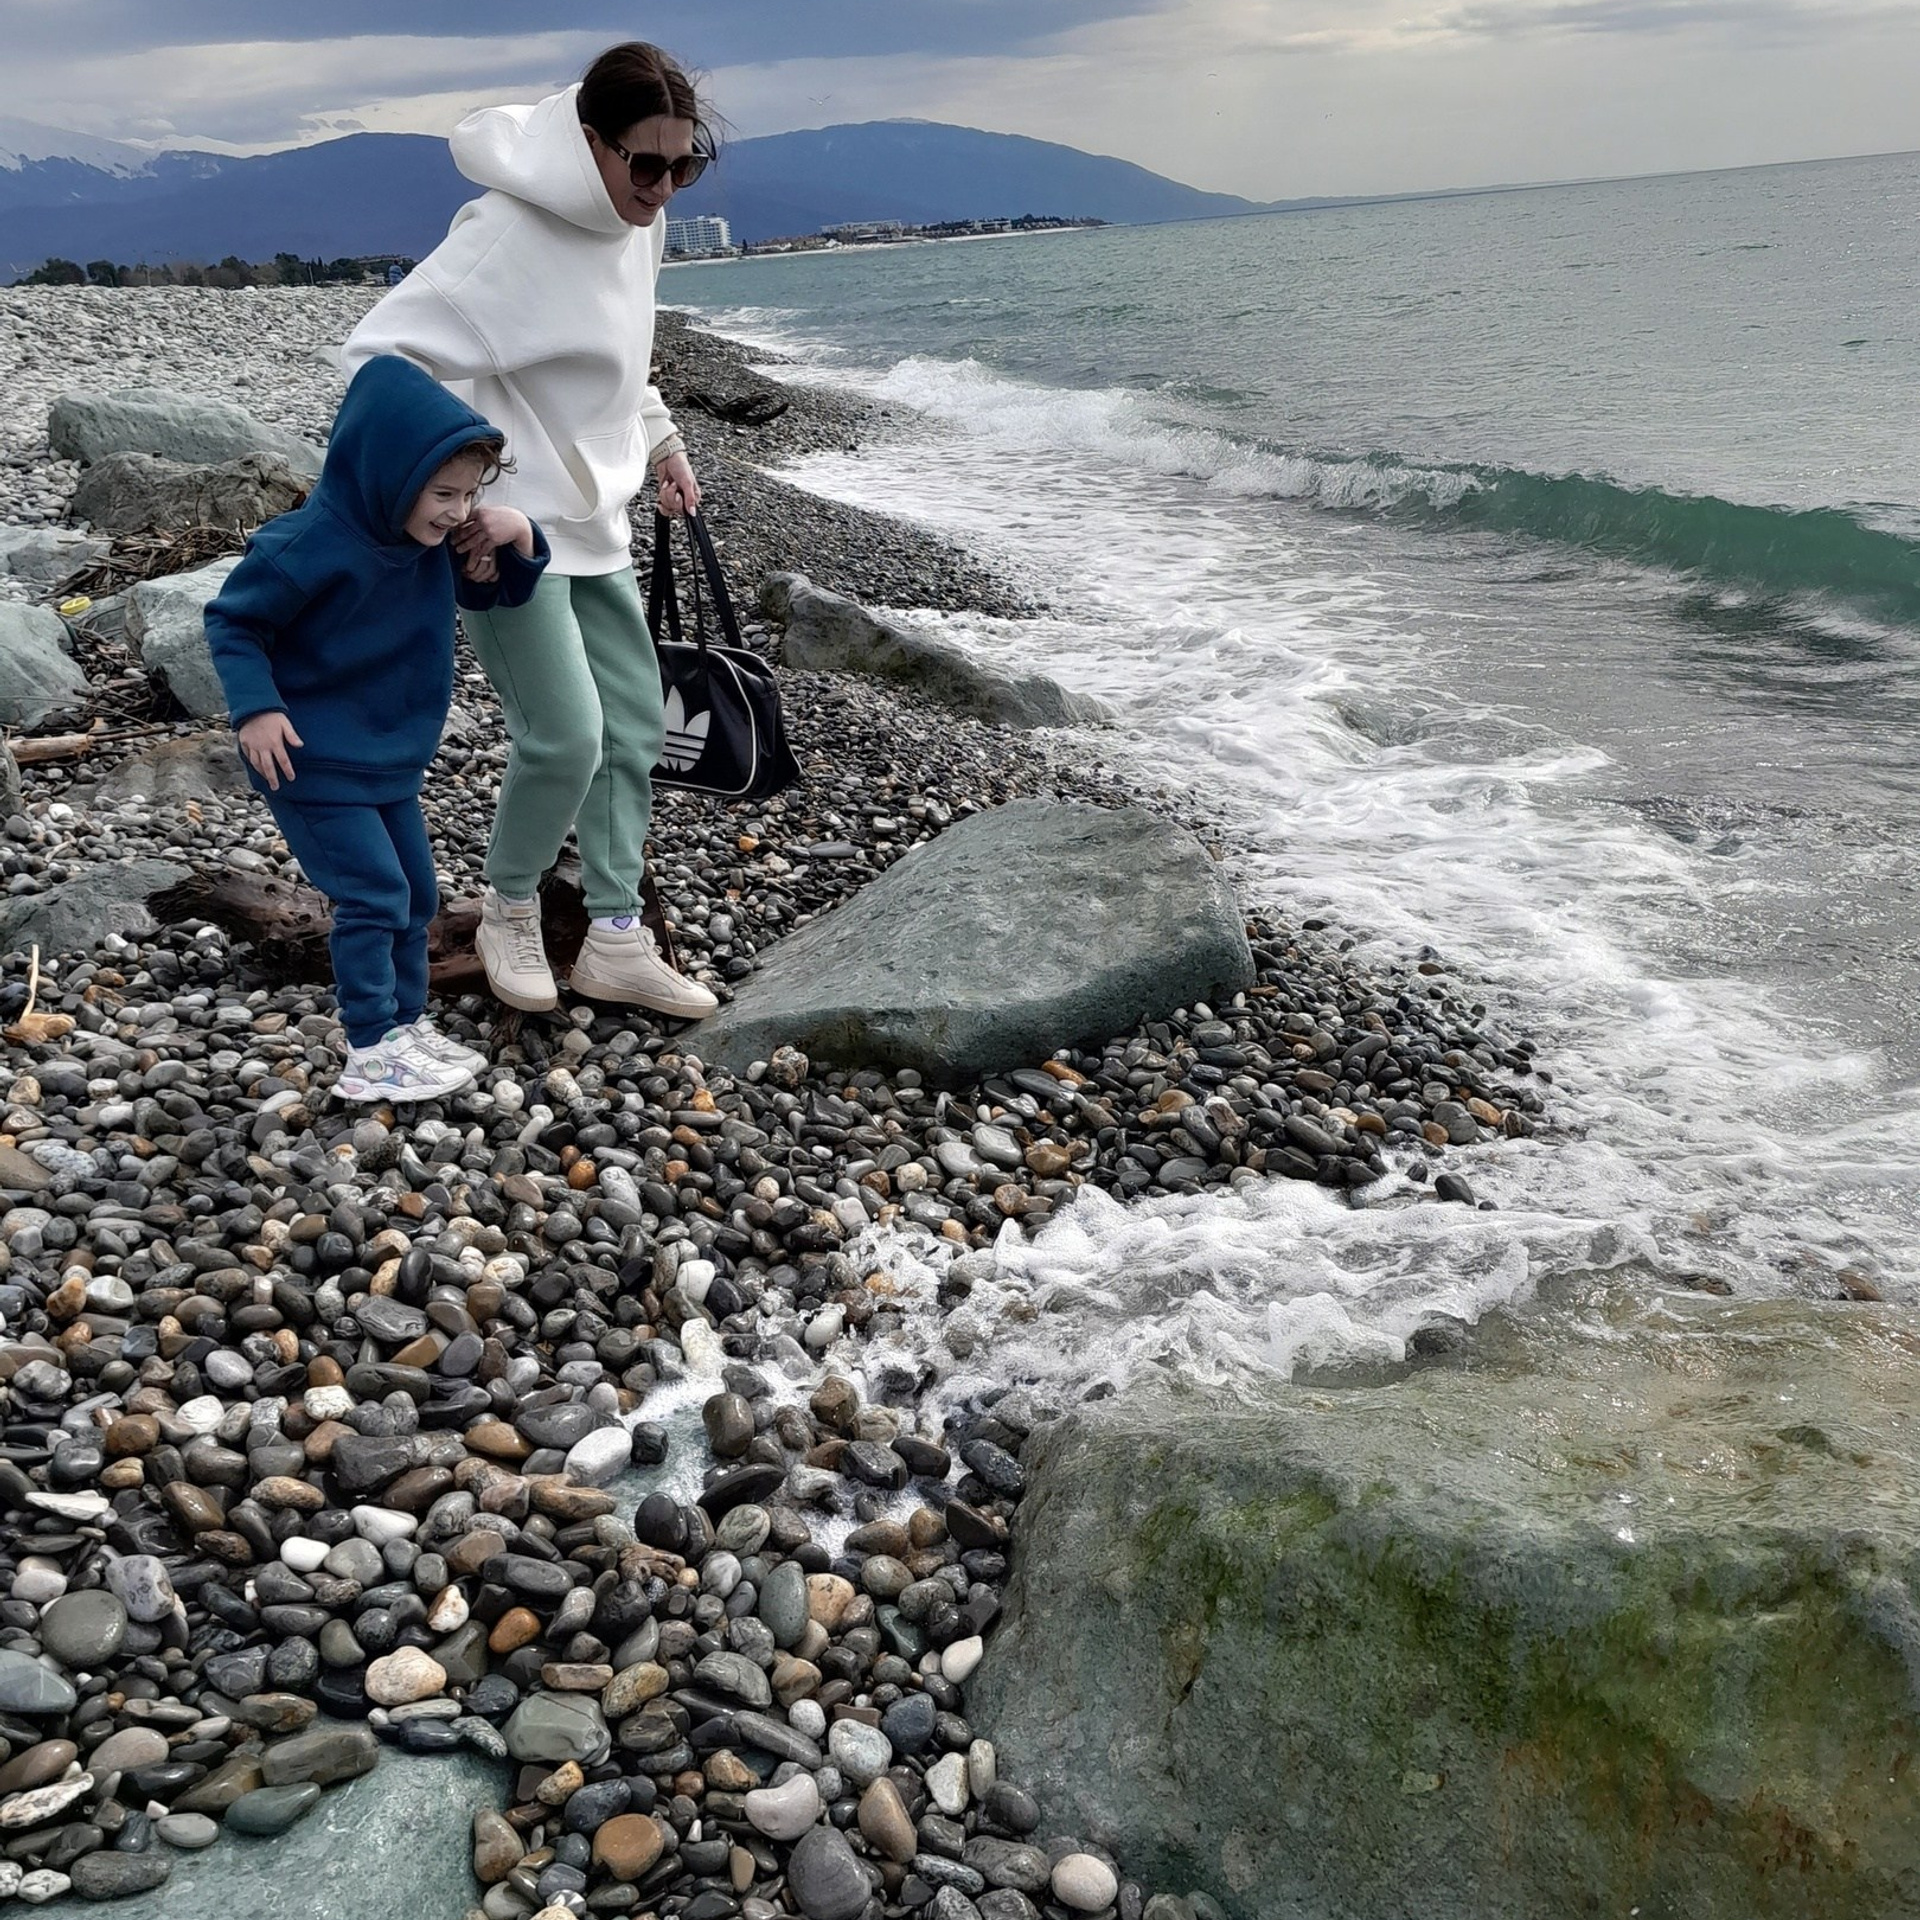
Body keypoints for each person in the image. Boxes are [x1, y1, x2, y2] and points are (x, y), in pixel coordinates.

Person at [340, 40, 720, 1022]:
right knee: (565, 738)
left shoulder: (638, 228)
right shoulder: (505, 231)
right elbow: (378, 357)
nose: (663, 189)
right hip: (507, 538)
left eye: (685, 167)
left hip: (597, 522)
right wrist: (455, 495)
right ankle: (509, 910)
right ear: (591, 142)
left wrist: (664, 443)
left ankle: (615, 939)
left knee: (633, 730)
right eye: (646, 164)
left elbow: (626, 360)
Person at [204, 353, 549, 1103]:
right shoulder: (305, 545)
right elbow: (233, 622)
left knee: (417, 896)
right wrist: (256, 708)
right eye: (444, 493)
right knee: (373, 896)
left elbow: (492, 596)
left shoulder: (425, 540)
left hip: (390, 758)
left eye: (470, 494)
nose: (457, 511)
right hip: (309, 758)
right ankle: (370, 1048)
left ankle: (405, 1025)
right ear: (388, 473)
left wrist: (520, 537)